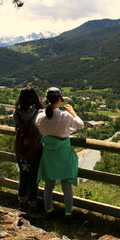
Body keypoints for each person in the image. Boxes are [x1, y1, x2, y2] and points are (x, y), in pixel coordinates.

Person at [35, 87, 84, 219]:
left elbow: (41, 129)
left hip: (49, 153)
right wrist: (73, 112)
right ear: (60, 99)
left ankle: (49, 210)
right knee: (66, 184)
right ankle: (68, 212)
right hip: (63, 153)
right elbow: (80, 125)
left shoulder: (40, 116)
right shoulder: (65, 116)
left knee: (49, 183)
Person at [13, 87, 43, 212]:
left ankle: (22, 201)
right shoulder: (38, 113)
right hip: (35, 150)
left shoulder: (17, 113)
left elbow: (17, 129)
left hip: (21, 150)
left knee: (23, 175)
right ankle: (32, 203)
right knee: (33, 176)